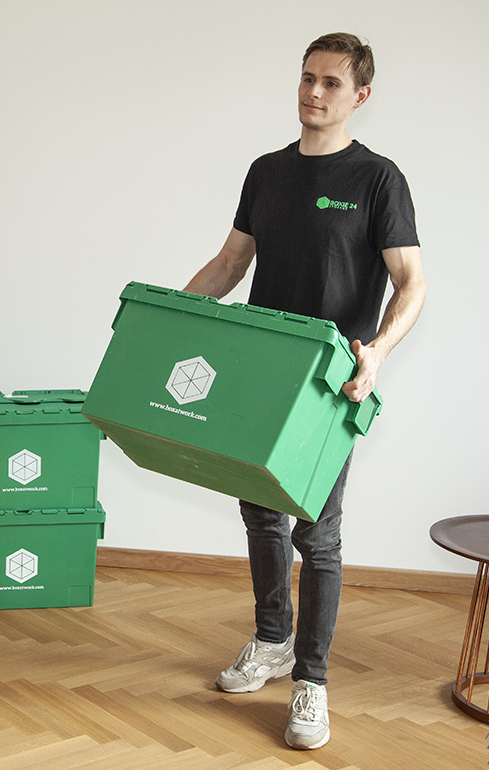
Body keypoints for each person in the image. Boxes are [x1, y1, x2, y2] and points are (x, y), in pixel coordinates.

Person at [184, 33, 426, 750]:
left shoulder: (377, 180)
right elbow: (231, 261)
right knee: (259, 514)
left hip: (328, 385)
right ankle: (271, 640)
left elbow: (411, 282)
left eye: (329, 83)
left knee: (315, 535)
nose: (312, 92)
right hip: (260, 372)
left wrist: (376, 352)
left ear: (359, 97)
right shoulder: (265, 171)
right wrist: (167, 323)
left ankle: (310, 683)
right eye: (306, 79)